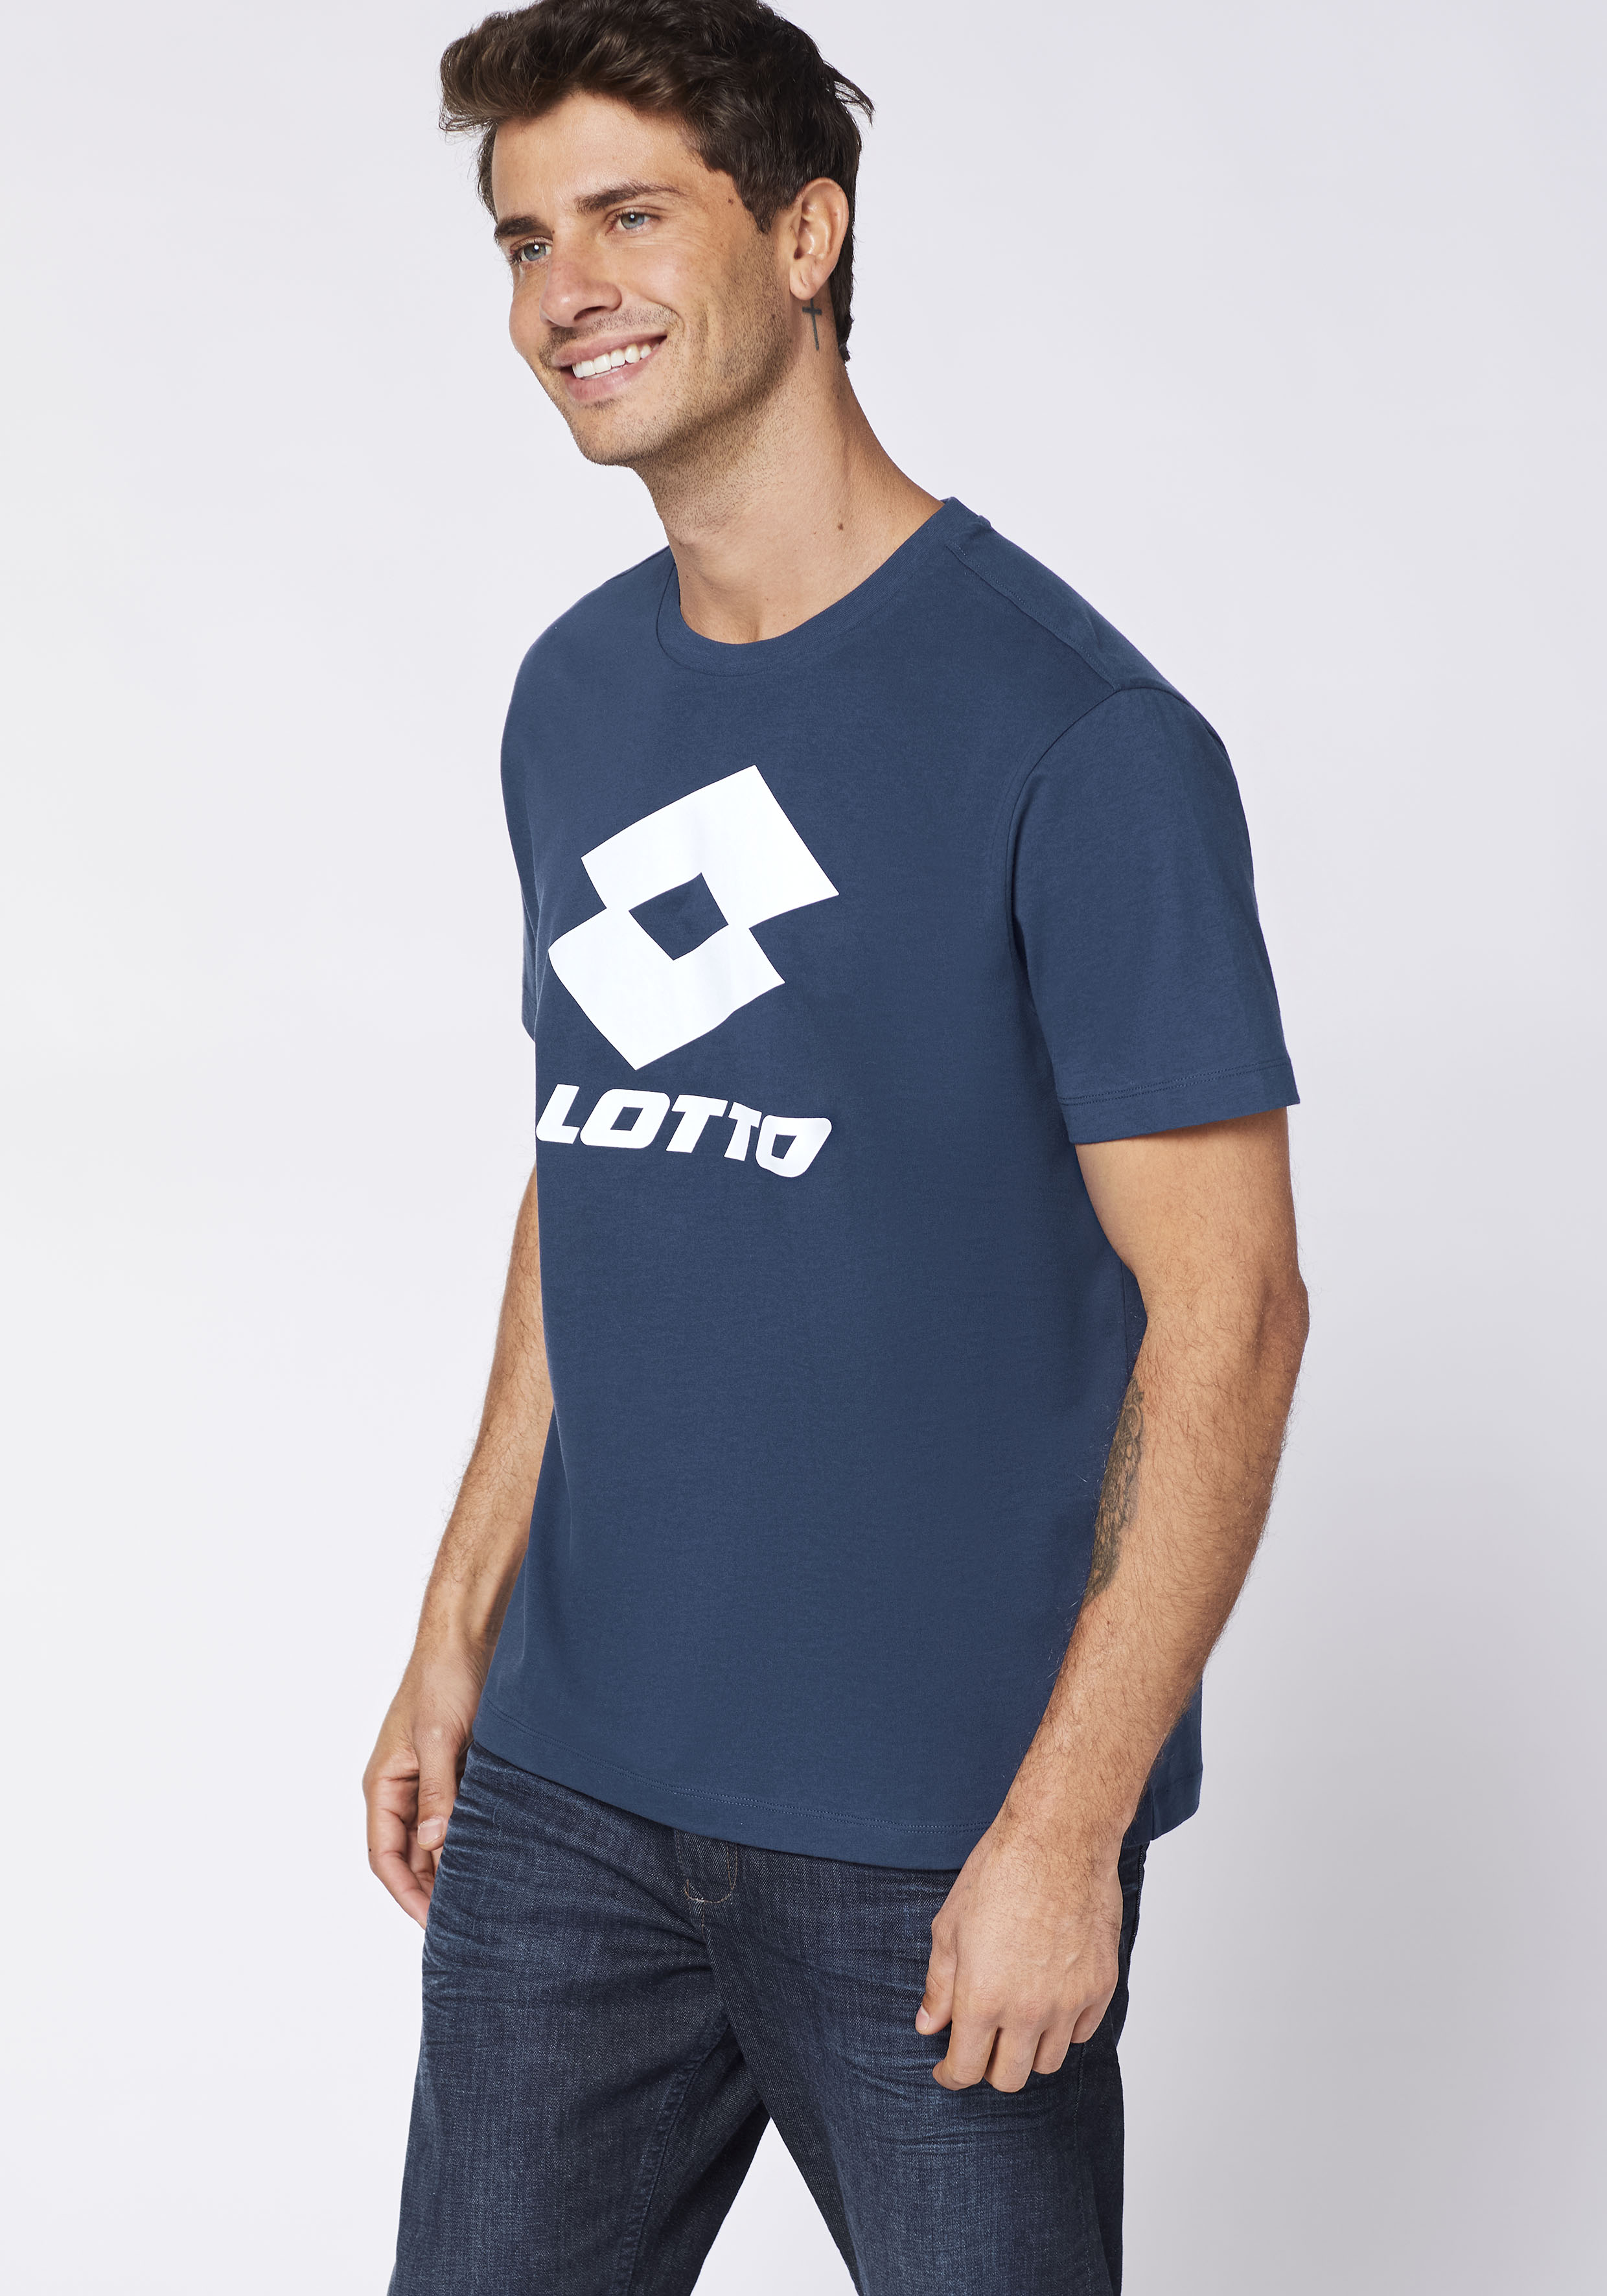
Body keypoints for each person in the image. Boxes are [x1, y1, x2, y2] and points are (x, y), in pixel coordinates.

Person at [363, 3, 1308, 2288]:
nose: (564, 289)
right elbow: (600, 1150)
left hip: (937, 1833)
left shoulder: (1079, 739)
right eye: (523, 241)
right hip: (571, 1809)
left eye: (627, 217)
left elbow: (1235, 1314)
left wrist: (1067, 1829)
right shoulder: (579, 696)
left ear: (806, 237)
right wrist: (456, 1626)